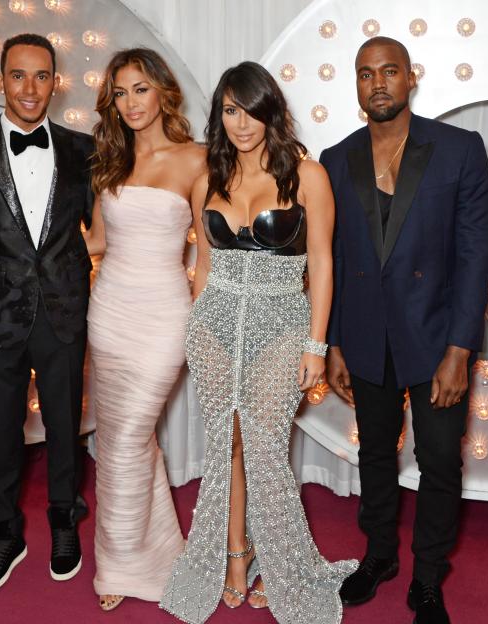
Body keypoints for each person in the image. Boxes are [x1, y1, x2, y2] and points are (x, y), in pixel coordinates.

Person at [160, 61, 356, 624]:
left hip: (282, 323)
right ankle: (236, 557)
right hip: (216, 324)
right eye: (229, 110)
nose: (241, 123)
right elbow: (205, 265)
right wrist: (197, 325)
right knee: (228, 447)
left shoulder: (307, 175)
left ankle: (286, 566)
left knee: (266, 450)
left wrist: (316, 345)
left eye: (250, 109)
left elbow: (321, 262)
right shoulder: (208, 177)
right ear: (219, 116)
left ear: (271, 109)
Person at [320, 37, 488, 624]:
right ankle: (378, 556)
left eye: (389, 71)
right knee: (374, 453)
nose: (378, 83)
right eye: (366, 73)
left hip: (436, 337)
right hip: (367, 337)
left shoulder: (459, 150)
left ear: (410, 77)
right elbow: (335, 259)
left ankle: (426, 576)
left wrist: (460, 350)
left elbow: (476, 255)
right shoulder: (335, 158)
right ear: (357, 85)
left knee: (441, 458)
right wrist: (334, 342)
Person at [0, 33, 94, 594]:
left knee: (63, 430)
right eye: (19, 76)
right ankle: (5, 532)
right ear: (0, 80)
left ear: (57, 81)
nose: (31, 88)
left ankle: (63, 521)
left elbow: (102, 230)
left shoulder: (84, 149)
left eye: (42, 76)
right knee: (1, 435)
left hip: (63, 316)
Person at [83, 48, 205, 612]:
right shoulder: (108, 164)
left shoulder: (196, 160)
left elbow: (207, 256)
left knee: (130, 436)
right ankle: (129, 559)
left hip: (163, 317)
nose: (130, 103)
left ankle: (130, 558)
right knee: (118, 442)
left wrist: (206, 324)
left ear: (163, 93)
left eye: (140, 89)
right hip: (108, 314)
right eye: (121, 92)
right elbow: (98, 244)